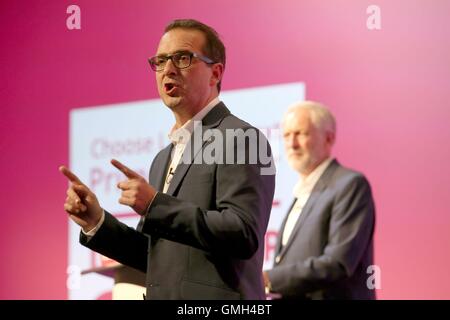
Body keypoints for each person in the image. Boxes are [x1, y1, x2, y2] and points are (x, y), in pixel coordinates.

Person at [60, 19, 275, 300]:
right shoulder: (163, 158)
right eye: (160, 61)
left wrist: (154, 204)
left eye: (182, 58)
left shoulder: (240, 137)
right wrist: (96, 221)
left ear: (215, 73)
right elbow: (155, 255)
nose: (168, 70)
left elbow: (242, 233)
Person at [263, 101, 376, 299]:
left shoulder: (349, 185)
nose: (291, 143)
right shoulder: (302, 192)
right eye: (287, 135)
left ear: (329, 138)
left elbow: (338, 262)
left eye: (301, 133)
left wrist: (268, 279)